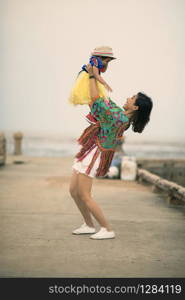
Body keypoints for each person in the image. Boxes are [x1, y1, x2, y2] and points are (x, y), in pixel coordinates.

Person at [69, 64, 153, 240]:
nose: (129, 98)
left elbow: (96, 100)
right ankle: (89, 225)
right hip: (91, 149)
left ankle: (107, 229)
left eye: (132, 98)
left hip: (96, 154)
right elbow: (103, 99)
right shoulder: (121, 115)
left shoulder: (119, 118)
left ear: (136, 107)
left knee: (84, 194)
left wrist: (92, 75)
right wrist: (97, 76)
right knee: (74, 191)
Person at [68, 46, 116, 124]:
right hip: (87, 78)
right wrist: (105, 84)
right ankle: (92, 115)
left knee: (97, 98)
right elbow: (97, 75)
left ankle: (94, 115)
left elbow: (103, 71)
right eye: (107, 60)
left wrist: (106, 63)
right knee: (91, 98)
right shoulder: (95, 61)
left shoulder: (99, 62)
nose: (107, 63)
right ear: (101, 57)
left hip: (93, 78)